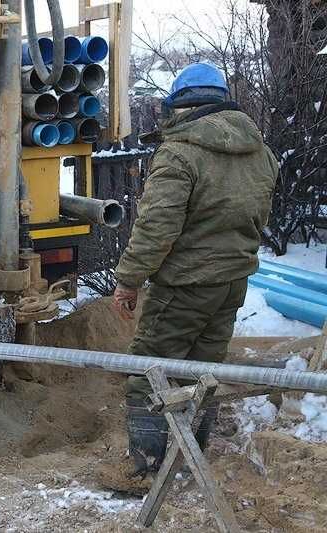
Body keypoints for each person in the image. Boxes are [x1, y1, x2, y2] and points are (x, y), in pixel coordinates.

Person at [111, 64, 278, 479]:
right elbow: (258, 213)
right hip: (233, 281)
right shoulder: (260, 151)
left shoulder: (180, 152)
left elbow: (156, 227)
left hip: (185, 284)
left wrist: (129, 279)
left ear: (178, 103)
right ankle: (191, 455)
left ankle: (147, 465)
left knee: (150, 371)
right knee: (207, 369)